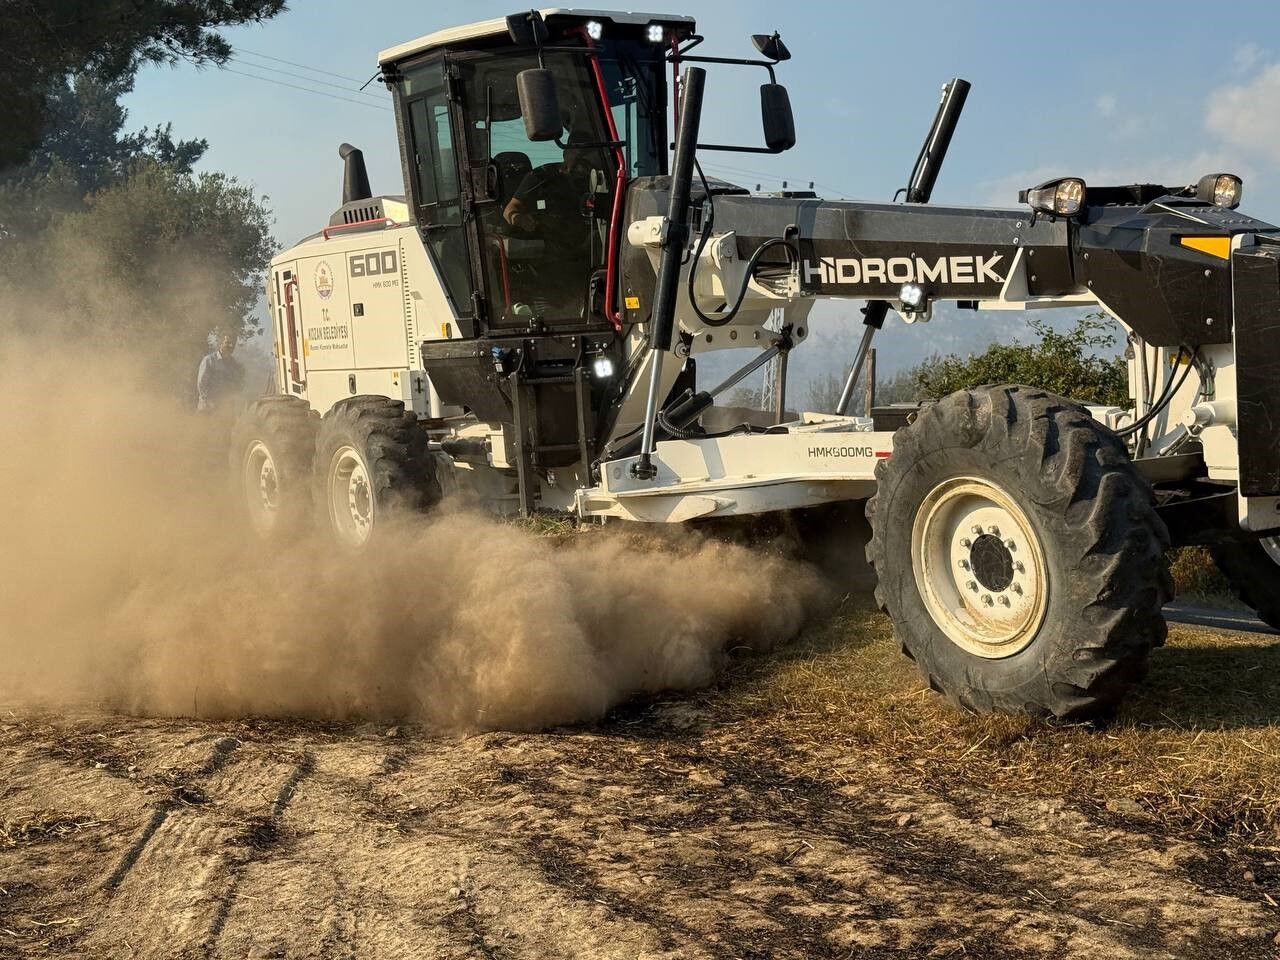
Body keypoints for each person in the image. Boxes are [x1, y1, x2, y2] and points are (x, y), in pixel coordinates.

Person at [502, 135, 598, 303]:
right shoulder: (543, 176)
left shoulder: (598, 181)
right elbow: (510, 210)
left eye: (587, 153)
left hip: (589, 254)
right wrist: (522, 220)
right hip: (548, 256)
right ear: (566, 153)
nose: (582, 158)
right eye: (578, 151)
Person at [196, 333, 244, 413]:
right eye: (227, 343)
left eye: (233, 343)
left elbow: (235, 384)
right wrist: (209, 402)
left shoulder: (233, 364)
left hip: (225, 410)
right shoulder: (209, 360)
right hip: (207, 409)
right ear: (220, 344)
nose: (231, 346)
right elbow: (201, 383)